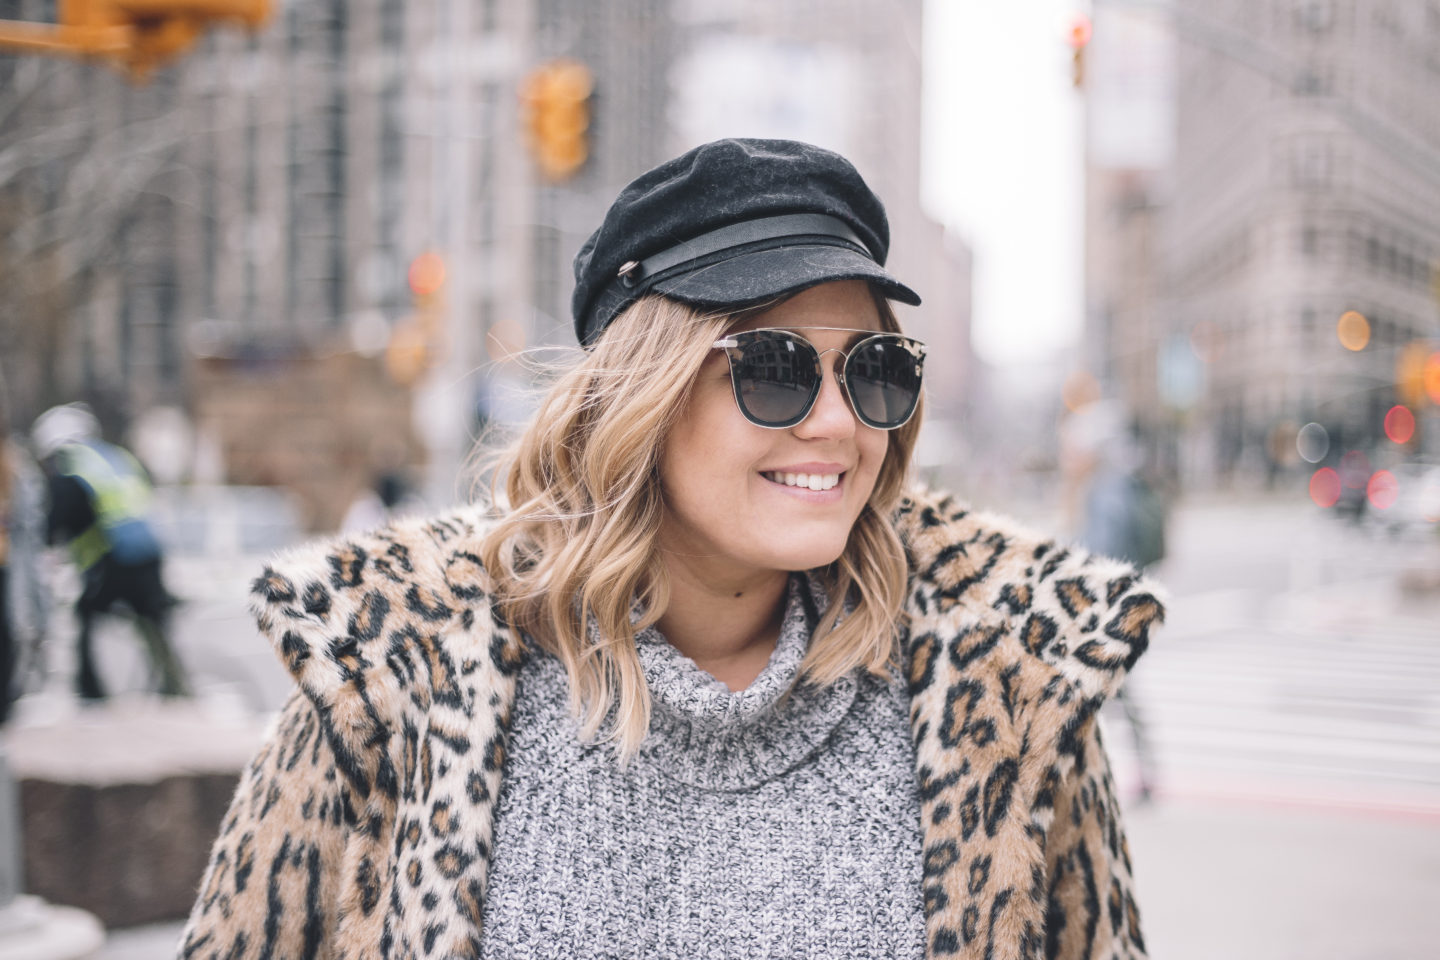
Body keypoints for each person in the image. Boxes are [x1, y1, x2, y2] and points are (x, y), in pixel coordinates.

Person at [180, 139, 1164, 958]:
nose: (836, 423)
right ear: (642, 400)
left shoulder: (1007, 690)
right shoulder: (391, 679)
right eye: (775, 368)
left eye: (875, 369)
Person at [31, 403, 188, 700]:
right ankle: (176, 687)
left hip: (113, 558)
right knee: (150, 620)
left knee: (85, 616)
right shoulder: (115, 456)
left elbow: (59, 519)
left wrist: (45, 543)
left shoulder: (70, 467)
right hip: (148, 554)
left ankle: (91, 691)